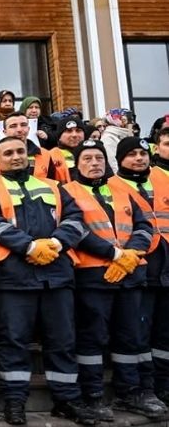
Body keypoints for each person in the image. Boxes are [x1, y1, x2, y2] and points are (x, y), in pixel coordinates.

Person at [0, 136, 96, 425]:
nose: (16, 157)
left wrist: (54, 244)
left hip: (56, 274)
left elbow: (75, 220)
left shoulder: (54, 186)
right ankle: (15, 401)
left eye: (20, 151)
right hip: (14, 277)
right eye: (9, 153)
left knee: (62, 340)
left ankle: (66, 400)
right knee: (14, 341)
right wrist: (30, 247)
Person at [62, 140, 164, 421]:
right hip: (92, 276)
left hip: (130, 275)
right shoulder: (68, 191)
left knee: (132, 337)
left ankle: (132, 392)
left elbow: (145, 225)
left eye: (98, 158)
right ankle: (93, 395)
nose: (94, 163)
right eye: (87, 159)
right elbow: (76, 231)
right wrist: (113, 253)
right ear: (77, 164)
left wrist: (132, 252)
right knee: (92, 338)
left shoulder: (122, 188)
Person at [110, 135, 169, 409]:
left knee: (164, 334)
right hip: (135, 268)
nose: (139, 158)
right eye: (132, 154)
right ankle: (137, 389)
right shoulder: (112, 186)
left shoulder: (162, 179)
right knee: (136, 333)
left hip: (165, 268)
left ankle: (163, 386)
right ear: (120, 159)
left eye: (142, 154)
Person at [0, 112, 58, 180]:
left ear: (28, 129)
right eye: (13, 126)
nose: (19, 129)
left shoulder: (45, 154)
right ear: (5, 132)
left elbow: (52, 184)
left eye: (23, 125)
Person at [50, 119, 86, 184]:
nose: (74, 135)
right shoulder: (50, 156)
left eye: (78, 130)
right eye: (69, 131)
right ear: (59, 137)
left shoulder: (95, 153)